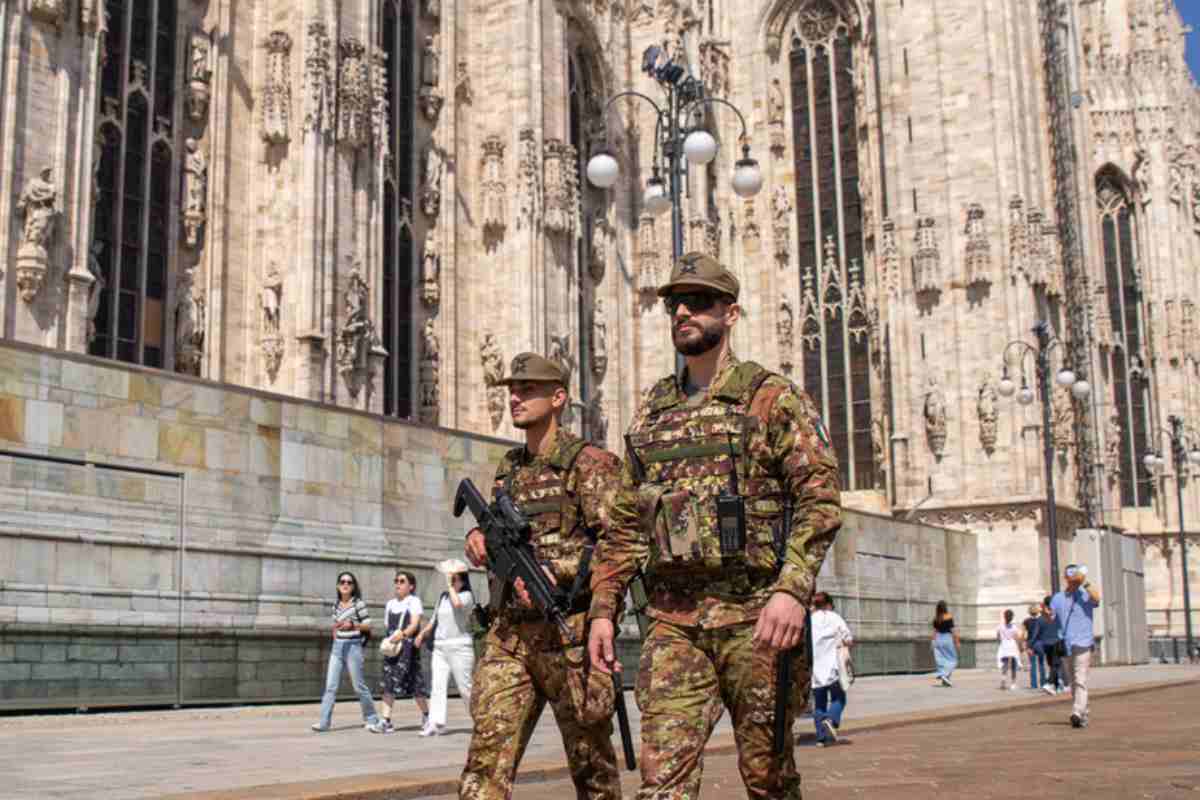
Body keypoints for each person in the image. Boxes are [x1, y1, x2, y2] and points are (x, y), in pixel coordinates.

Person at [587, 252, 842, 799]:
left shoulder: (772, 399)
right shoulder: (653, 412)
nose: (683, 312)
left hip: (757, 618)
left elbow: (820, 499)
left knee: (769, 780)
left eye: (698, 302)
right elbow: (626, 522)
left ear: (731, 313)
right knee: (661, 785)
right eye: (675, 303)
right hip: (673, 621)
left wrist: (793, 591)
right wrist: (603, 610)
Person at [459, 352, 623, 800]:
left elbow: (619, 545)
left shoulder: (590, 464)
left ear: (557, 397)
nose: (515, 397)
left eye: (527, 389)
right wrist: (478, 539)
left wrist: (561, 570)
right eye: (512, 389)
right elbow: (498, 534)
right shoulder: (510, 468)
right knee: (484, 767)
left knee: (594, 773)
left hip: (568, 636)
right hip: (509, 637)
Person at [312, 571, 381, 732]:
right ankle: (324, 722)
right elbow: (336, 624)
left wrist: (353, 625)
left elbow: (368, 624)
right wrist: (336, 631)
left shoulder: (358, 604)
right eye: (342, 582)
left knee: (359, 686)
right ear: (338, 585)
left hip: (353, 646)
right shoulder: (335, 605)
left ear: (353, 586)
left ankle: (372, 718)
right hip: (337, 647)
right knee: (330, 686)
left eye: (349, 582)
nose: (345, 585)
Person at [415, 564, 477, 737]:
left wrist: (450, 587)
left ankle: (480, 720)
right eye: (450, 578)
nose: (451, 580)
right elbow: (434, 619)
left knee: (465, 688)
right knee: (437, 686)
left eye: (454, 578)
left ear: (462, 581)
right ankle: (436, 723)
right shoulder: (443, 597)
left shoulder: (467, 596)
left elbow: (457, 605)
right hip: (440, 647)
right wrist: (422, 633)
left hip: (460, 647)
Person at [369, 571, 429, 733]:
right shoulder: (390, 604)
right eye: (396, 581)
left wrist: (401, 635)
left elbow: (415, 624)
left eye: (402, 581)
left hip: (408, 648)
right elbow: (388, 626)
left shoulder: (414, 601)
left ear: (411, 586)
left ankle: (427, 715)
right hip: (393, 648)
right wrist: (391, 640)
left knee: (415, 682)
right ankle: (385, 721)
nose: (398, 584)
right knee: (388, 682)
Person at [1049, 564, 1101, 728]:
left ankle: (1076, 712)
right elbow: (1051, 618)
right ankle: (1083, 713)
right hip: (1066, 643)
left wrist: (1084, 583)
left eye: (1075, 578)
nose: (1073, 582)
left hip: (1083, 642)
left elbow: (1097, 598)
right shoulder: (1057, 598)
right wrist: (1046, 614)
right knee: (1072, 682)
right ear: (1066, 579)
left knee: (1080, 680)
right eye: (1070, 579)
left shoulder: (1085, 594)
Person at [809, 592, 853, 747]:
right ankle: (831, 719)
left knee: (819, 703)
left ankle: (821, 738)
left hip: (815, 668)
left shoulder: (810, 620)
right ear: (828, 604)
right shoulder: (834, 617)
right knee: (839, 698)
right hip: (834, 666)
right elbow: (848, 637)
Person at [1036, 595, 1064, 694]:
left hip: (1047, 644)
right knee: (1055, 664)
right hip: (1055, 642)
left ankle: (1056, 686)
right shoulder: (1056, 614)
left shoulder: (1043, 616)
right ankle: (1049, 683)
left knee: (1053, 664)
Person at [931, 600, 960, 687]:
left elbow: (935, 632)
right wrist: (957, 641)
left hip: (938, 640)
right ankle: (944, 675)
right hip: (947, 639)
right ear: (945, 607)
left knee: (941, 659)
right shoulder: (949, 617)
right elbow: (953, 631)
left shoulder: (936, 618)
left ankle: (945, 680)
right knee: (953, 659)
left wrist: (932, 642)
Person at [996, 609, 1021, 691]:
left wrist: (1000, 643)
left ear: (1004, 617)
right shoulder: (1014, 627)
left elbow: (998, 637)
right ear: (1012, 617)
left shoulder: (1000, 626)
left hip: (1004, 646)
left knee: (1005, 664)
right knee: (1014, 665)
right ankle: (1013, 683)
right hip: (1012, 646)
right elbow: (1017, 638)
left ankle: (1003, 681)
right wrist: (1020, 647)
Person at [1023, 604, 1045, 690]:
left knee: (1032, 664)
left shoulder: (1026, 621)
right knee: (1041, 664)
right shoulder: (1042, 620)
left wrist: (1025, 645)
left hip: (1030, 644)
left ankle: (1034, 684)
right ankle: (1043, 683)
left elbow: (1024, 634)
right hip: (1040, 643)